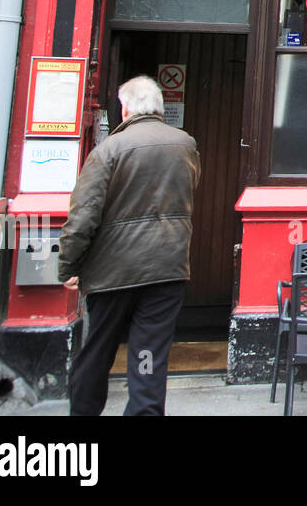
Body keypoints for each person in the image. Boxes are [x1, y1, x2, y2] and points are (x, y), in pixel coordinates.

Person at [60, 75, 200, 416]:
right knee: (149, 353)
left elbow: (83, 216)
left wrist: (69, 265)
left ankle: (83, 413)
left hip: (112, 272)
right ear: (157, 108)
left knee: (98, 349)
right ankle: (145, 411)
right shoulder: (184, 144)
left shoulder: (108, 150)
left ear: (125, 108)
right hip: (166, 267)